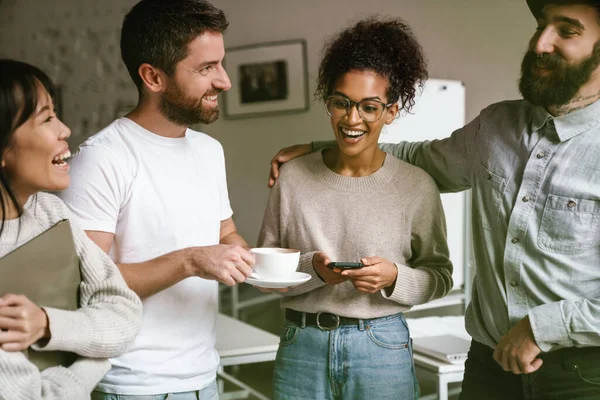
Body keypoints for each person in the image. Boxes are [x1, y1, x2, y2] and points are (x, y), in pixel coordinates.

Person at [268, 1, 600, 399]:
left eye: (566, 31)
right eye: (541, 26)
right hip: (489, 364)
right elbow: (416, 158)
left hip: (581, 372)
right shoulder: (495, 127)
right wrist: (329, 149)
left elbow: (436, 271)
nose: (540, 43)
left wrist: (542, 327)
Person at [58, 0, 255, 398]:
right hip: (132, 385)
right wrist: (191, 260)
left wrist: (247, 261)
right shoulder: (102, 158)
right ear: (152, 76)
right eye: (206, 68)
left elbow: (225, 231)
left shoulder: (208, 151)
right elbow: (86, 283)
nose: (224, 81)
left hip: (203, 379)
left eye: (221, 63)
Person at [258, 17, 453, 400]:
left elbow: (441, 276)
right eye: (341, 103)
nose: (351, 119)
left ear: (391, 112)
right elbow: (265, 275)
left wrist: (395, 277)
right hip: (302, 345)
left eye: (369, 107)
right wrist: (313, 270)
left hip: (382, 347)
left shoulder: (416, 186)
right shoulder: (292, 177)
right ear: (328, 101)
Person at [0, 59, 142, 400]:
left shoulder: (51, 211)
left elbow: (124, 311)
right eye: (46, 118)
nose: (64, 129)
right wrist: (96, 355)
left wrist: (48, 324)